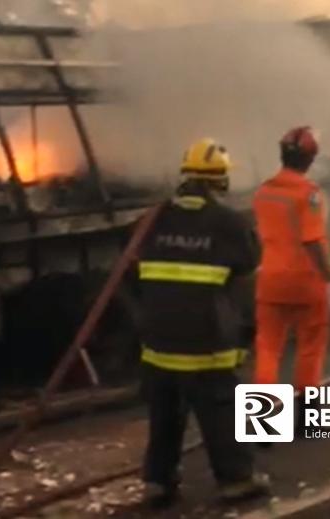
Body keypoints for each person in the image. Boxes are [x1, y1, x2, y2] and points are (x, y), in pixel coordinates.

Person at [135, 138, 271, 507]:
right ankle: (235, 479)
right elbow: (247, 271)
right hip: (206, 341)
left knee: (164, 412)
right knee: (220, 409)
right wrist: (246, 332)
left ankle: (157, 481)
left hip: (157, 343)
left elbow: (131, 277)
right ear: (221, 181)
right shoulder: (229, 223)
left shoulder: (150, 219)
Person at [252, 127, 330, 432]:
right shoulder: (309, 194)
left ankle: (263, 426)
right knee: (310, 348)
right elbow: (312, 241)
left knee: (267, 349)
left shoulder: (263, 192)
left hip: (270, 281)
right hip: (305, 282)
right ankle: (308, 422)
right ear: (310, 158)